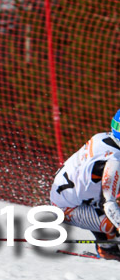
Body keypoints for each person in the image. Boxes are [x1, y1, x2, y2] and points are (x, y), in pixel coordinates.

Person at [50, 109, 120, 260]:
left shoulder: (102, 137)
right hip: (67, 208)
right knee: (111, 221)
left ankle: (108, 245)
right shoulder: (114, 161)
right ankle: (107, 250)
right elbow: (109, 205)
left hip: (70, 195)